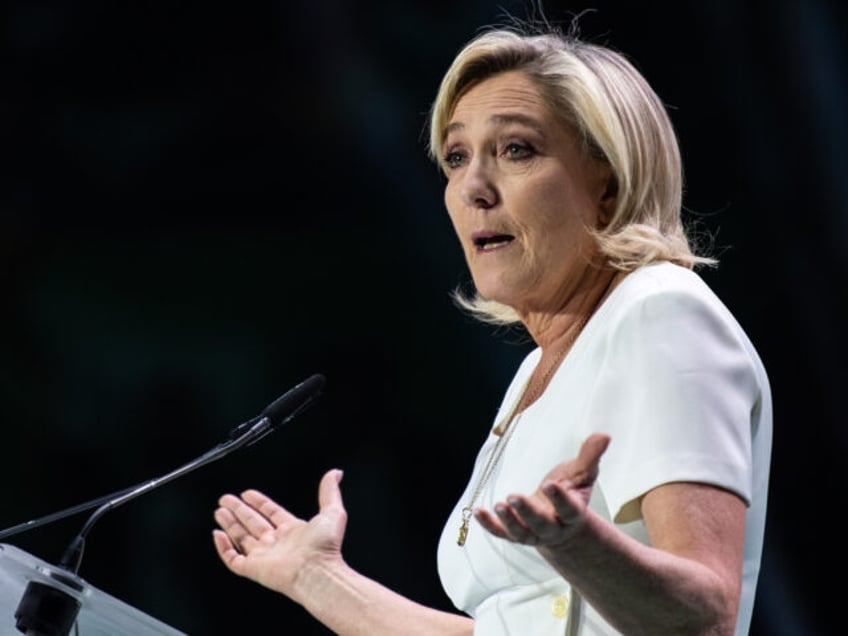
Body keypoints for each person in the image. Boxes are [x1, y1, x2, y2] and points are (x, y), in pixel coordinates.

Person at [212, 20, 772, 636]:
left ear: (607, 181)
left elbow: (707, 618)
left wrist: (578, 546)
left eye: (516, 150)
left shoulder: (660, 311)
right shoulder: (538, 370)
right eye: (456, 157)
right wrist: (316, 577)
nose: (473, 188)